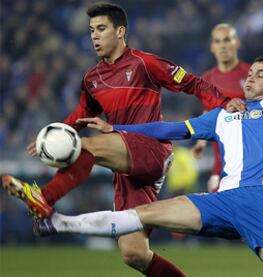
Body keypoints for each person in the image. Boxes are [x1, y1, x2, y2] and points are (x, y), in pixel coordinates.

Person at [32, 57, 263, 276]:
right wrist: (118, 127)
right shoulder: (221, 116)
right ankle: (58, 223)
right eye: (249, 75)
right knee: (141, 214)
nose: (249, 78)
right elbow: (169, 129)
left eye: (260, 75)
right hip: (222, 201)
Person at [1, 3, 245, 277]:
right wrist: (55, 133)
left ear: (120, 32)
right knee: (134, 253)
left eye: (101, 29)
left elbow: (193, 83)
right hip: (127, 166)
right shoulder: (92, 78)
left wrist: (225, 102)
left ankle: (44, 197)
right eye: (92, 30)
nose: (94, 36)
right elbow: (83, 114)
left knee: (88, 145)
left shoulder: (144, 63)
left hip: (151, 149)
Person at [192, 23, 250, 192]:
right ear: (212, 47)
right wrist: (201, 143)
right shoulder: (207, 80)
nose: (223, 46)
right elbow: (209, 112)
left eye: (227, 40)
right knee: (219, 212)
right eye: (218, 41)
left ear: (237, 42)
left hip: (251, 156)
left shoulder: (252, 74)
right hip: (222, 160)